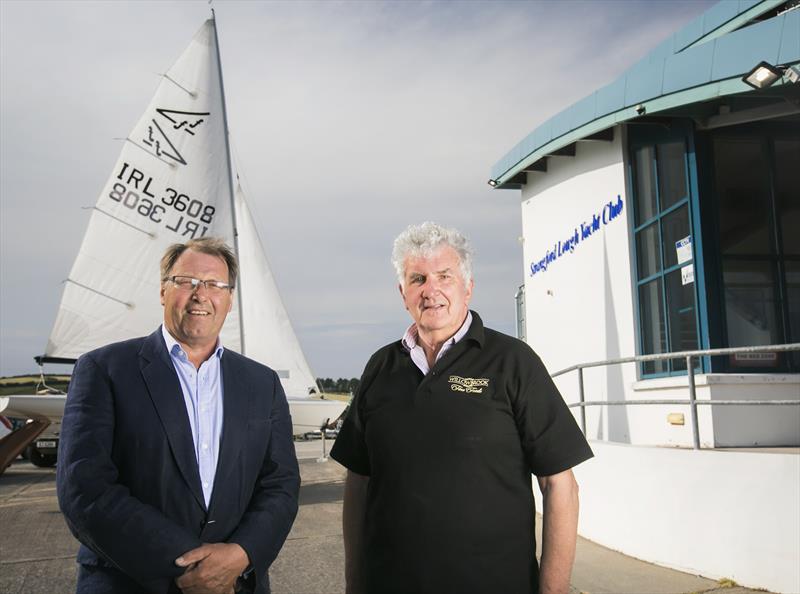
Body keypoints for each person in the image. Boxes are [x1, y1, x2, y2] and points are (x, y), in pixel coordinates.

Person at [331, 222, 593, 594]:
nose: (431, 290)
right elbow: (359, 482)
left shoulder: (513, 362)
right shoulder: (380, 368)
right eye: (418, 278)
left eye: (444, 276)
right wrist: (354, 582)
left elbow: (560, 486)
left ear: (468, 287)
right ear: (402, 292)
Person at [57, 237, 300, 594]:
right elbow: (85, 489)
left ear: (229, 299)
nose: (201, 294)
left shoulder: (262, 383)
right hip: (130, 583)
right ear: (162, 291)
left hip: (235, 584)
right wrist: (197, 567)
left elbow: (280, 485)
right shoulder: (103, 370)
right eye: (187, 282)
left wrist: (240, 555)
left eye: (215, 285)